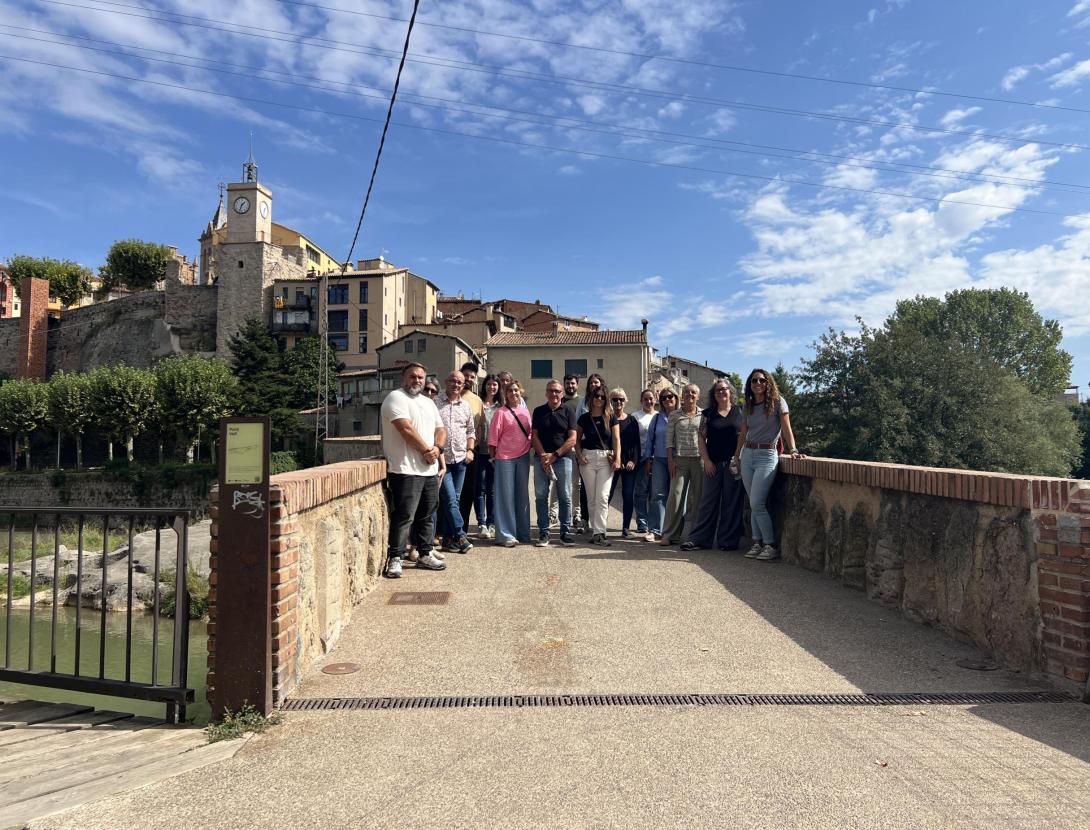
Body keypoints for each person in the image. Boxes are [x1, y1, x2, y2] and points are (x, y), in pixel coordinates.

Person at [380, 362, 447, 578]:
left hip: (428, 470)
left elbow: (441, 429)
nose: (417, 380)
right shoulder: (395, 398)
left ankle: (425, 553)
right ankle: (396, 558)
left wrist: (437, 448)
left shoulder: (428, 403)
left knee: (427, 515)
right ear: (403, 377)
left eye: (420, 377)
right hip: (405, 469)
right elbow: (405, 428)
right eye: (412, 376)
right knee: (404, 515)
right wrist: (427, 451)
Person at [734, 368, 802, 562]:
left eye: (762, 380)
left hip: (767, 454)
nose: (758, 384)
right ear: (750, 385)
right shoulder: (747, 406)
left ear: (768, 382)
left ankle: (770, 545)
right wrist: (736, 456)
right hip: (748, 454)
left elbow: (786, 428)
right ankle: (757, 543)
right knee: (753, 502)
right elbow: (743, 434)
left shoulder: (778, 402)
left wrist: (794, 449)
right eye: (754, 381)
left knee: (757, 502)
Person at [681, 380, 745, 552]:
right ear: (713, 394)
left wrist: (739, 457)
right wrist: (707, 461)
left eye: (724, 389)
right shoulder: (708, 414)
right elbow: (701, 438)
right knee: (708, 502)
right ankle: (699, 540)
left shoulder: (741, 411)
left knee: (732, 502)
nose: (721, 392)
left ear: (730, 392)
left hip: (734, 464)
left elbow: (747, 435)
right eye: (717, 390)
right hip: (713, 464)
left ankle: (728, 541)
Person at [531, 379, 578, 547]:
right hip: (541, 459)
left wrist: (555, 455)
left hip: (563, 459)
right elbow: (534, 436)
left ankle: (565, 533)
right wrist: (544, 455)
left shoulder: (569, 411)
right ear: (546, 393)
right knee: (541, 496)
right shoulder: (538, 411)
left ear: (562, 393)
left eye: (557, 391)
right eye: (551, 391)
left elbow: (572, 439)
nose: (554, 394)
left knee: (565, 496)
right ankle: (544, 533)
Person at [434, 370, 475, 554]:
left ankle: (448, 539)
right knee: (450, 500)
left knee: (454, 500)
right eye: (452, 381)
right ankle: (460, 535)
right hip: (443, 461)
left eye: (459, 382)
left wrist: (470, 450)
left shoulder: (465, 406)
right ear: (446, 381)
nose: (456, 384)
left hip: (460, 460)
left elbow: (471, 431)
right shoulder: (435, 403)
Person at [488, 379, 532, 547]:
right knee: (505, 496)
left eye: (516, 390)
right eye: (510, 391)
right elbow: (493, 438)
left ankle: (523, 533)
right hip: (505, 458)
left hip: (523, 457)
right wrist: (493, 457)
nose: (514, 393)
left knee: (522, 496)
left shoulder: (525, 412)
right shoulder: (501, 412)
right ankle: (506, 535)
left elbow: (529, 433)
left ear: (520, 391)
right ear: (505, 394)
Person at [576, 385, 621, 546]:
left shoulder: (611, 417)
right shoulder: (583, 418)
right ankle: (596, 532)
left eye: (602, 396)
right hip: (588, 458)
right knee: (592, 498)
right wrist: (579, 455)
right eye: (597, 396)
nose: (599, 399)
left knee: (602, 496)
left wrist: (618, 458)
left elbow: (616, 439)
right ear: (591, 398)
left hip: (605, 459)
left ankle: (600, 532)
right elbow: (577, 439)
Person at [660, 384, 703, 546]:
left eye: (693, 392)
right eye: (686, 392)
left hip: (699, 460)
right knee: (675, 496)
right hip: (680, 460)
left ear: (698, 396)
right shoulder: (674, 415)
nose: (689, 394)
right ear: (682, 396)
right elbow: (669, 440)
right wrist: (670, 460)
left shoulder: (704, 415)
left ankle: (696, 535)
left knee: (699, 497)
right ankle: (670, 534)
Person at [606, 388, 642, 538]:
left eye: (621, 399)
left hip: (628, 464)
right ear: (611, 401)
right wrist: (609, 455)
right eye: (615, 399)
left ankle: (626, 528)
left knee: (628, 495)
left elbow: (636, 443)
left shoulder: (632, 420)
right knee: (606, 495)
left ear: (625, 401)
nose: (618, 402)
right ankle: (601, 528)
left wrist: (634, 460)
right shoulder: (606, 418)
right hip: (611, 463)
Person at [643, 388, 677, 541]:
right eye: (663, 397)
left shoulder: (682, 416)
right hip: (659, 460)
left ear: (676, 398)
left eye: (670, 396)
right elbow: (650, 440)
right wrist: (648, 459)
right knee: (658, 495)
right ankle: (656, 529)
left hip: (679, 460)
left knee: (676, 495)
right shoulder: (657, 419)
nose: (667, 399)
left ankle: (674, 531)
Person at [473, 374, 500, 540]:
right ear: (485, 386)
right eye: (489, 384)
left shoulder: (501, 406)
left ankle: (492, 523)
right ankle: (481, 523)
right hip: (479, 451)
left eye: (495, 385)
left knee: (492, 490)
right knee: (480, 489)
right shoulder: (478, 403)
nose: (492, 387)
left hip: (495, 453)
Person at [458, 361, 483, 534]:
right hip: (449, 454)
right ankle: (445, 532)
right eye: (465, 375)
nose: (468, 379)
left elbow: (479, 428)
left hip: (470, 454)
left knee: (468, 495)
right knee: (449, 495)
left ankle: (463, 531)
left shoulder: (477, 400)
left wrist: (472, 449)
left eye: (472, 377)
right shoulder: (447, 395)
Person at [632, 389, 657, 537]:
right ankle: (642, 522)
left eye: (651, 398)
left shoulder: (660, 416)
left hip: (658, 458)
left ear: (655, 400)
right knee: (641, 492)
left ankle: (654, 523)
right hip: (641, 458)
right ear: (641, 401)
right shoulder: (635, 416)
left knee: (655, 493)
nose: (648, 401)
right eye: (645, 399)